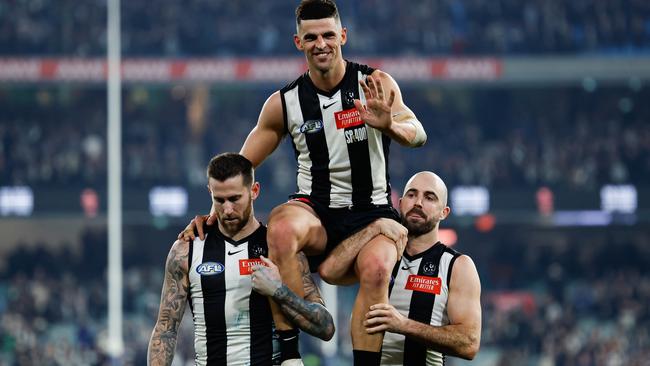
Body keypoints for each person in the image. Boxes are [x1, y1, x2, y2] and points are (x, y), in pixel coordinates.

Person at [184, 1, 426, 364]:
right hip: (316, 210)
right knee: (279, 228)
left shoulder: (374, 84)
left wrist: (389, 124)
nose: (321, 44)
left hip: (372, 210)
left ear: (343, 36)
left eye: (329, 35)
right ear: (298, 42)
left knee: (377, 269)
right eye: (310, 37)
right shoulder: (284, 103)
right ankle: (290, 353)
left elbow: (418, 133)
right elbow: (241, 165)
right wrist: (214, 211)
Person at [149, 153, 334, 366]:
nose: (227, 209)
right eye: (219, 200)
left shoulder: (279, 248)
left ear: (254, 191)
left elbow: (326, 328)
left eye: (235, 199)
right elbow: (165, 329)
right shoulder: (187, 250)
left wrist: (279, 292)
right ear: (210, 192)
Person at [321, 171, 482, 365]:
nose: (418, 202)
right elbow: (329, 271)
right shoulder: (376, 254)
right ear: (400, 203)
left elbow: (468, 344)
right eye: (412, 195)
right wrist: (373, 228)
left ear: (444, 212)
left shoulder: (457, 266)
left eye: (429, 197)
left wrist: (403, 325)